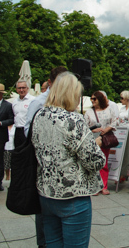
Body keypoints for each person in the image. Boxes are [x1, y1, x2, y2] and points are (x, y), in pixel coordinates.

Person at [31, 72, 105, 247]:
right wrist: (97, 143)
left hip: (46, 193)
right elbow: (95, 161)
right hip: (72, 196)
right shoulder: (73, 119)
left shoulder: (39, 116)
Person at [24, 66, 68, 248]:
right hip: (43, 160)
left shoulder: (66, 100)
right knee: (43, 201)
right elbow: (28, 130)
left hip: (63, 162)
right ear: (50, 83)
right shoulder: (39, 102)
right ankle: (43, 243)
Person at [84, 91, 117, 194]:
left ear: (100, 99)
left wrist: (106, 129)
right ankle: (95, 186)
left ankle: (104, 185)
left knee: (104, 162)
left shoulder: (109, 110)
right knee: (93, 162)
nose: (93, 101)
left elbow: (115, 121)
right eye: (91, 99)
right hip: (93, 139)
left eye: (95, 99)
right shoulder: (89, 112)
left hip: (105, 139)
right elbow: (85, 125)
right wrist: (94, 130)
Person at [11, 80, 35, 148]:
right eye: (19, 88)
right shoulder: (15, 101)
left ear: (27, 88)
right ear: (16, 89)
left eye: (23, 88)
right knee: (17, 151)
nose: (21, 90)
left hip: (27, 130)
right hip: (17, 130)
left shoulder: (32, 100)